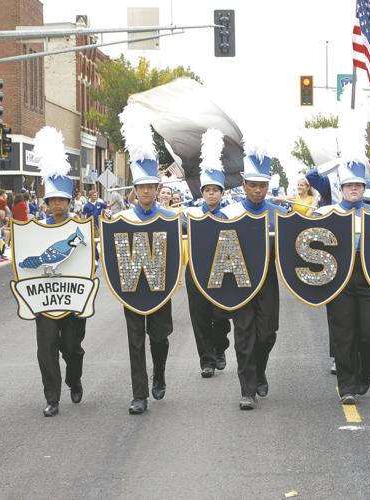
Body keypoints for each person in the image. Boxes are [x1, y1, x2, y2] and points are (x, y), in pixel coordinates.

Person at [116, 103, 178, 415]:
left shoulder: (170, 217)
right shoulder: (123, 218)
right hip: (131, 287)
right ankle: (138, 394)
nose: (146, 191)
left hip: (160, 288)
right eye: (141, 187)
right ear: (135, 189)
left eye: (151, 186)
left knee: (159, 339)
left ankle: (160, 372)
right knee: (135, 342)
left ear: (157, 187)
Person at [219, 134, 287, 410]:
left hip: (268, 279)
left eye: (262, 186)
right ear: (245, 185)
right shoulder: (230, 212)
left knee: (267, 332)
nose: (258, 190)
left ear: (268, 187)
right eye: (253, 185)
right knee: (244, 333)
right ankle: (247, 389)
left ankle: (259, 371)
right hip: (239, 280)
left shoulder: (279, 213)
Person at [314, 162, 370, 405]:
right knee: (343, 333)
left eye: (358, 185)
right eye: (349, 185)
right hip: (337, 277)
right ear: (341, 189)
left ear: (364, 188)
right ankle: (346, 385)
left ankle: (365, 372)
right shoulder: (325, 213)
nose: (354, 189)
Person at [29, 126, 88, 416]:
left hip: (74, 300)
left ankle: (74, 378)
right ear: (47, 203)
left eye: (61, 200)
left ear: (68, 201)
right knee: (46, 349)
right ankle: (52, 397)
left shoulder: (81, 229)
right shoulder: (35, 229)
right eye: (52, 200)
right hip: (45, 299)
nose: (56, 205)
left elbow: (91, 261)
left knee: (71, 348)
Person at [182, 129, 232, 379]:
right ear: (201, 193)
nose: (211, 194)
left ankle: (220, 347)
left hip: (223, 272)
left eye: (216, 190)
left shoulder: (231, 215)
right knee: (200, 317)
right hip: (196, 270)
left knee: (221, 316)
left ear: (221, 193)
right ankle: (207, 360)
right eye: (207, 190)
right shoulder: (189, 213)